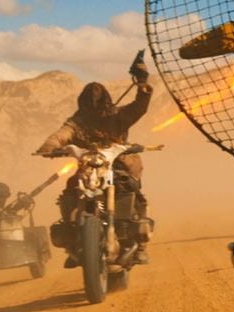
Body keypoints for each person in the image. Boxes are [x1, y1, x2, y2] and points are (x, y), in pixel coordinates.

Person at [35, 55, 153, 264]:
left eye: (97, 100)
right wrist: (49, 147)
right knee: (71, 190)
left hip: (119, 162)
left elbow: (139, 107)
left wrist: (142, 83)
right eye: (90, 101)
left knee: (133, 188)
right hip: (90, 166)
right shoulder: (78, 121)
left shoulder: (118, 116)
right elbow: (62, 134)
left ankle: (141, 243)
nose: (94, 104)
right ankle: (73, 241)